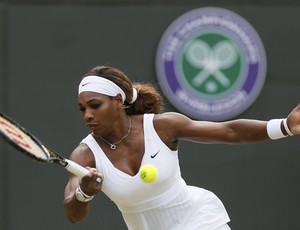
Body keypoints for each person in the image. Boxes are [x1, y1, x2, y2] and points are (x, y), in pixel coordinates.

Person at [63, 65, 300, 230]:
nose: (88, 115)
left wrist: (285, 126)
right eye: (82, 109)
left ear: (118, 101)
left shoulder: (162, 127)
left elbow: (229, 131)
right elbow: (73, 213)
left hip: (198, 222)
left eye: (95, 105)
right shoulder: (85, 154)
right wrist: (84, 194)